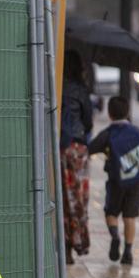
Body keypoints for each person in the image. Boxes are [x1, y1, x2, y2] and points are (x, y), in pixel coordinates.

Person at [88, 96, 139, 265]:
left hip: (116, 181)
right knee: (130, 216)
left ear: (110, 114)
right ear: (128, 112)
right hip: (136, 181)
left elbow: (90, 149)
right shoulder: (137, 132)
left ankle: (115, 236)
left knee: (111, 212)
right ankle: (128, 251)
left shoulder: (108, 133)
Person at [60, 51, 94, 264]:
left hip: (60, 147)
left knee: (63, 197)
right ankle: (78, 241)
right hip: (79, 149)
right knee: (80, 199)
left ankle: (64, 246)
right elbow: (88, 121)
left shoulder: (56, 87)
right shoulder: (81, 90)